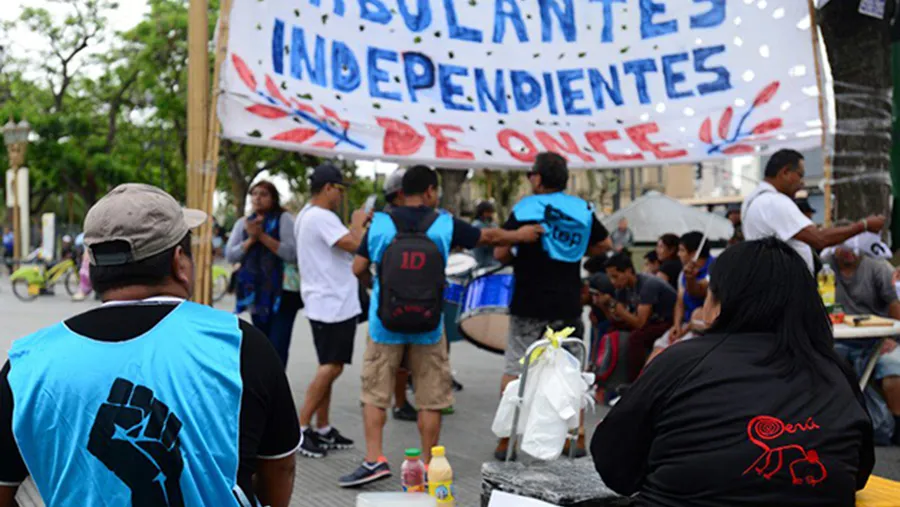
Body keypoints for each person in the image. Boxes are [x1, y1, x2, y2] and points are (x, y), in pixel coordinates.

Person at [0, 184, 300, 507]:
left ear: (95, 269)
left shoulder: (25, 366)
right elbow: (279, 468)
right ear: (178, 262)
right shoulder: (240, 345)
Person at [592, 238, 875, 506]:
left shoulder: (681, 362)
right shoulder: (836, 370)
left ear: (720, 302)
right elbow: (856, 473)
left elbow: (613, 464)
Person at [341, 165, 543, 487]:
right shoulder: (444, 224)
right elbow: (489, 237)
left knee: (375, 392)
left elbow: (357, 267)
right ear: (431, 191)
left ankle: (374, 460)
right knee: (430, 397)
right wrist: (521, 235)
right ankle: (425, 464)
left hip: (384, 323)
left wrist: (374, 282)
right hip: (429, 324)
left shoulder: (379, 224)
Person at [493, 152, 612, 460]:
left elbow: (500, 253)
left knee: (516, 368)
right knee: (572, 368)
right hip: (567, 303)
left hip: (528, 302)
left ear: (539, 178)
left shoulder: (527, 207)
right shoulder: (581, 208)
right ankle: (578, 435)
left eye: (531, 174)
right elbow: (605, 244)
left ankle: (507, 440)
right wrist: (573, 248)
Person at [293, 164, 367, 458]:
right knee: (331, 367)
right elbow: (355, 245)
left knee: (330, 364)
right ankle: (299, 429)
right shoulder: (322, 217)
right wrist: (359, 222)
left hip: (326, 300)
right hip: (331, 302)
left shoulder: (307, 215)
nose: (341, 195)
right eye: (339, 189)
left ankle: (322, 427)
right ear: (328, 188)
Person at [742, 149, 885, 274]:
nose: (802, 183)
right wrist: (864, 225)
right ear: (785, 172)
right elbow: (819, 239)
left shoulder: (753, 200)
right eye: (800, 175)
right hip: (783, 290)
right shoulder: (774, 201)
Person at [826, 235, 900, 445]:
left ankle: (893, 429)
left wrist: (893, 338)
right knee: (823, 366)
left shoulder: (877, 268)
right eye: (843, 246)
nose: (849, 251)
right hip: (839, 338)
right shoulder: (824, 268)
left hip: (877, 338)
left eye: (853, 246)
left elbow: (895, 304)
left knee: (893, 369)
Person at [226, 180, 300, 367]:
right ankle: (265, 391)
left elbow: (291, 253)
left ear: (273, 198)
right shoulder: (243, 223)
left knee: (278, 346)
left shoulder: (284, 220)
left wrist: (262, 237)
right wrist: (251, 239)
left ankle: (277, 390)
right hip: (256, 294)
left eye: (264, 194)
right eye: (254, 194)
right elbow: (230, 255)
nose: (257, 198)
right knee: (262, 346)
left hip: (282, 294)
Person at [597, 253, 677, 382]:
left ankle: (635, 381)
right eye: (610, 278)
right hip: (650, 322)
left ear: (628, 271)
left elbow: (640, 323)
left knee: (636, 338)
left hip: (668, 322)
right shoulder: (622, 289)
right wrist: (605, 307)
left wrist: (620, 310)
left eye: (615, 277)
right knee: (610, 328)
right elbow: (618, 319)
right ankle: (605, 375)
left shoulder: (648, 285)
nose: (613, 282)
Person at [379, 167, 419, 423]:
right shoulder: (429, 220)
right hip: (419, 306)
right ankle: (400, 402)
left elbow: (360, 265)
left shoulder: (380, 221)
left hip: (387, 307)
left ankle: (398, 402)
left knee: (392, 362)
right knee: (399, 361)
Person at [648, 231, 714, 362]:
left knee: (672, 353)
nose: (678, 254)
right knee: (659, 347)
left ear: (694, 254)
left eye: (682, 250)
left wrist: (691, 279)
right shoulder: (683, 273)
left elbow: (698, 290)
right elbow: (680, 301)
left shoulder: (715, 269)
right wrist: (677, 325)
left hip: (701, 328)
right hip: (684, 325)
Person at [471, 200, 499, 268]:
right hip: (482, 261)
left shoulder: (491, 224)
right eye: (488, 212)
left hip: (492, 259)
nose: (490, 214)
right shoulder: (477, 225)